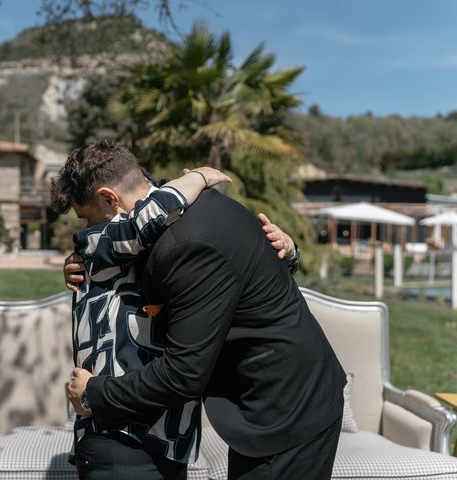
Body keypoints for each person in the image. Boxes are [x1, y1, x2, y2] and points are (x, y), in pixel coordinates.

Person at [64, 141, 346, 479]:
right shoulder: (182, 212)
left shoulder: (186, 245)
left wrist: (95, 393)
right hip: (267, 402)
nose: (90, 234)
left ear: (111, 199)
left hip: (286, 408)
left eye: (89, 221)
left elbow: (184, 372)